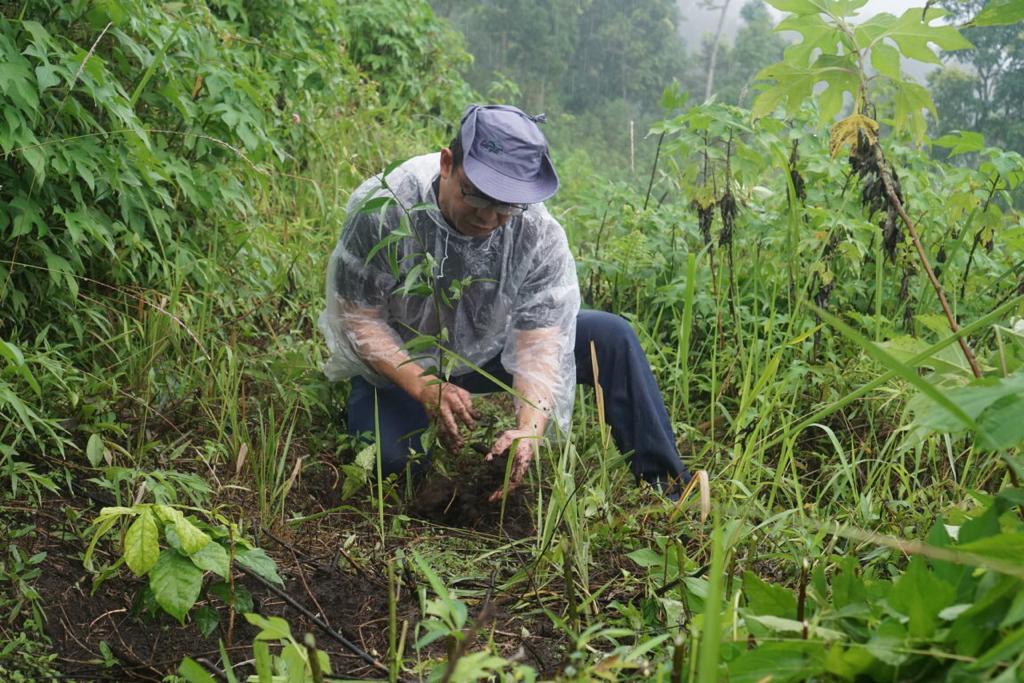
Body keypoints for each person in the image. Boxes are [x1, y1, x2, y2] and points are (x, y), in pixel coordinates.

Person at [319, 104, 689, 501]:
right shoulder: (387, 206)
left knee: (612, 337)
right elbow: (359, 319)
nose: (489, 218)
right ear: (448, 164)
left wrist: (528, 430)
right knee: (391, 465)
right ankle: (376, 409)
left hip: (492, 347)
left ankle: (662, 488)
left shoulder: (536, 231)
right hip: (403, 356)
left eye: (505, 206)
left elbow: (541, 340)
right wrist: (424, 384)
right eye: (477, 197)